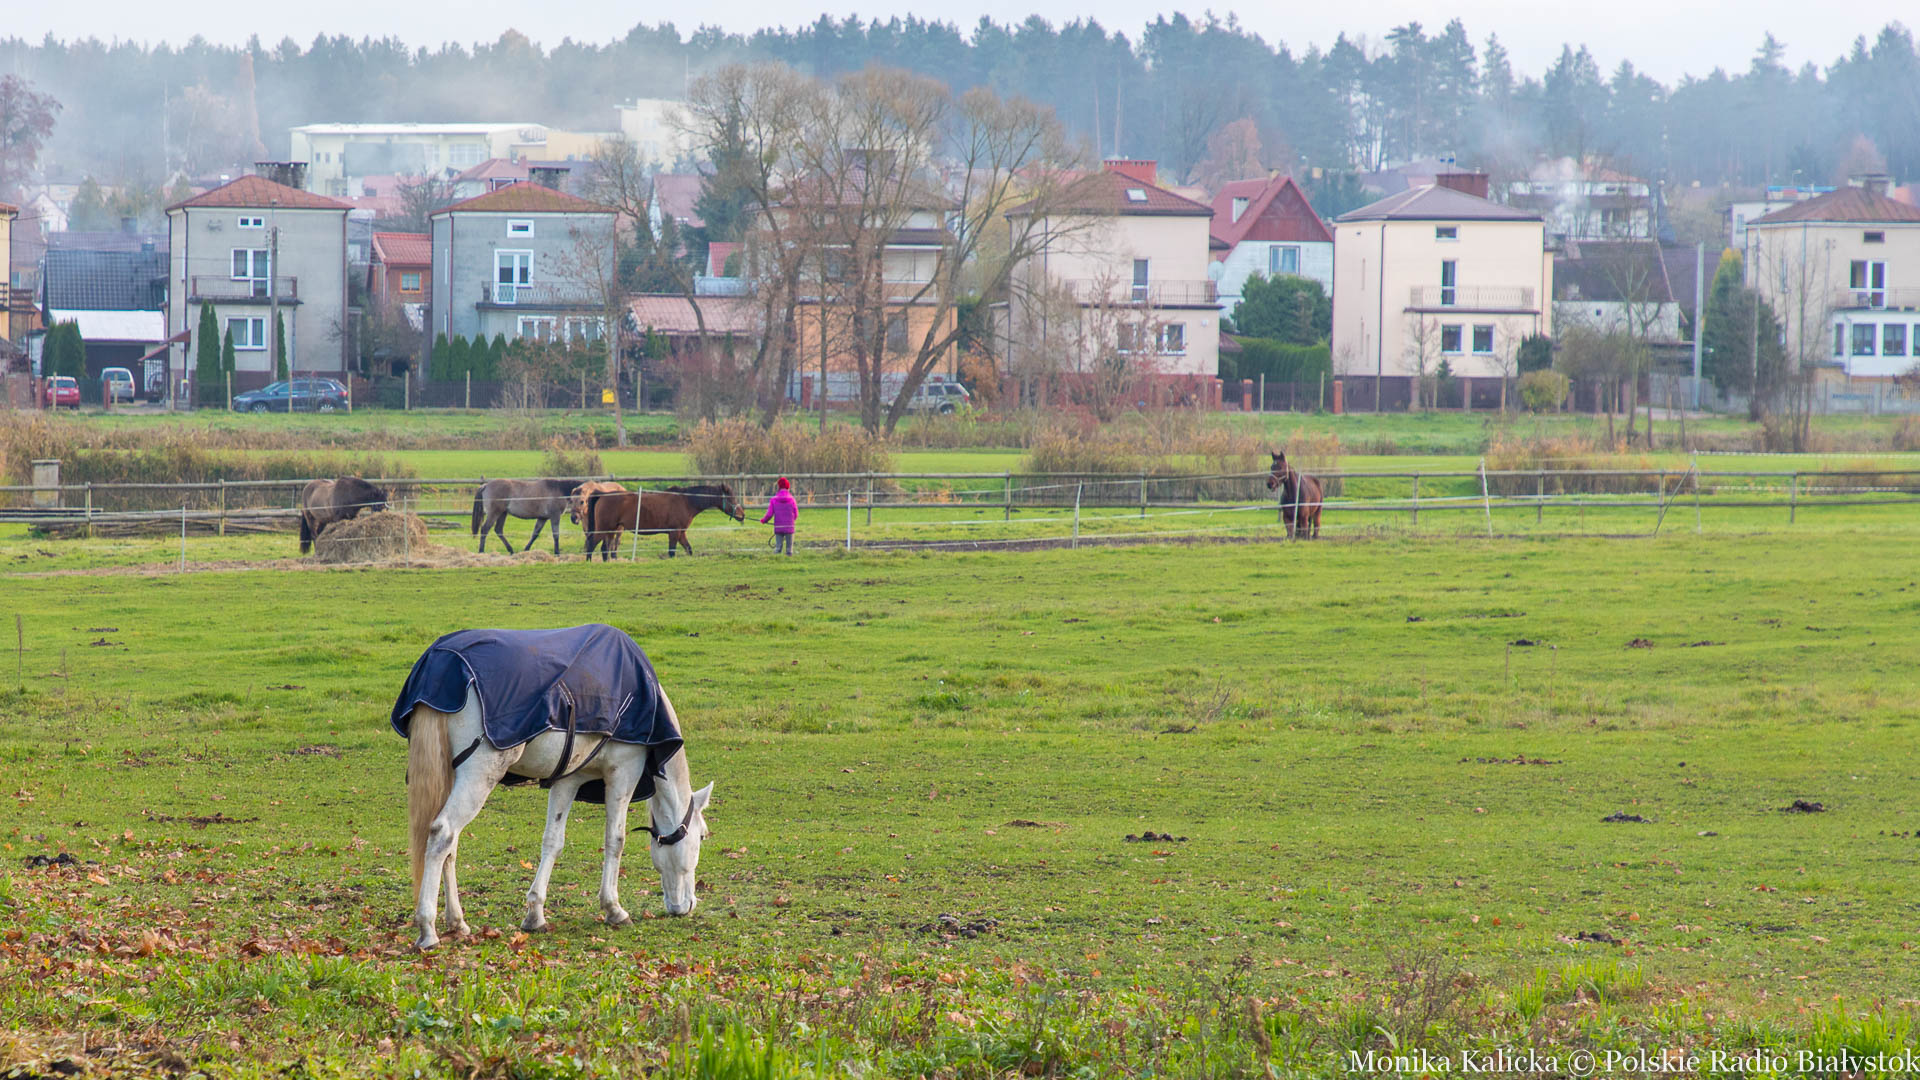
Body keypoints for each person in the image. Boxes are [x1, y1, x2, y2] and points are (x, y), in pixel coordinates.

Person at [761, 477, 798, 555]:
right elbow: (796, 514)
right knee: (789, 549)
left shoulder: (773, 500)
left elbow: (769, 514)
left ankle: (776, 560)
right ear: (788, 487)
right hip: (789, 526)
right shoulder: (792, 499)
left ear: (779, 487)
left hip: (778, 527)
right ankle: (789, 561)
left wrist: (764, 520)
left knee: (778, 548)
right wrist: (791, 521)